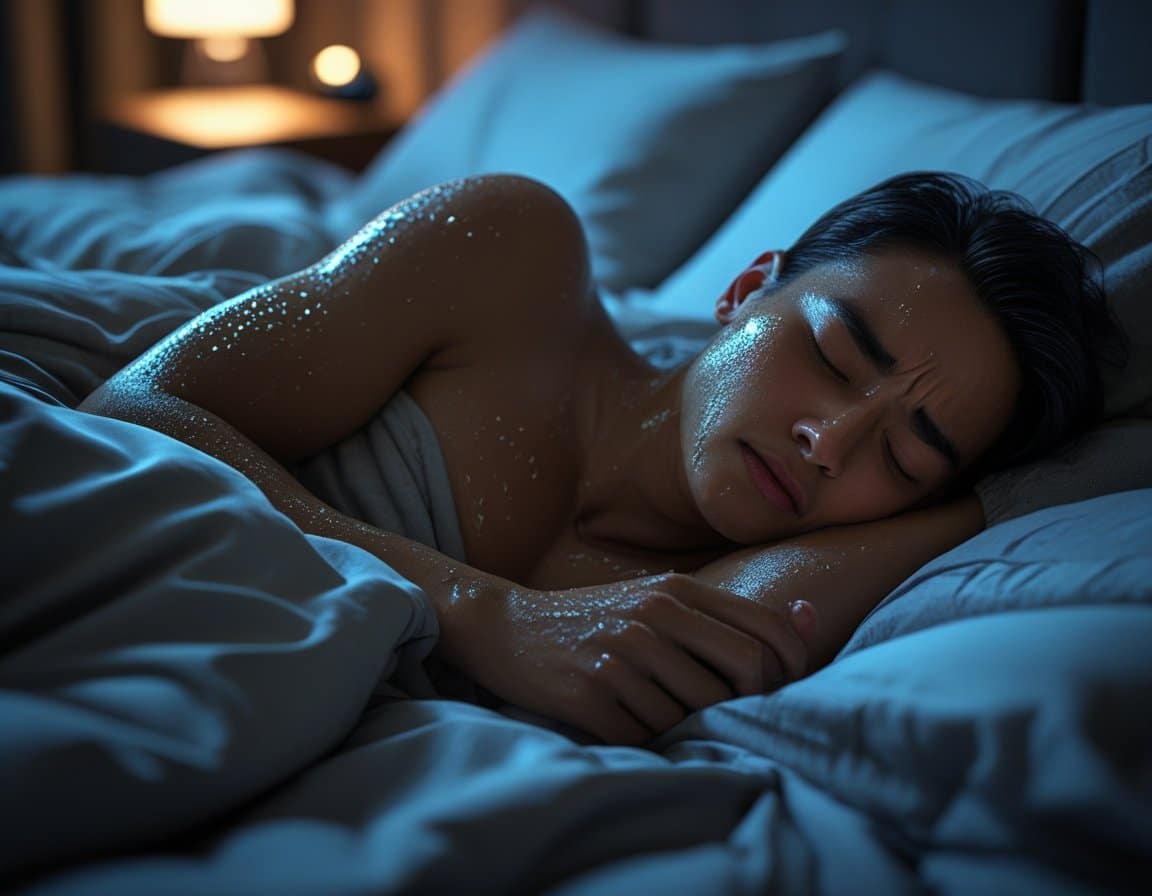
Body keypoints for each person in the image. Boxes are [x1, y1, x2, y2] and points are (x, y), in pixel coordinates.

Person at [78, 171, 1124, 746]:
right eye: (834, 353)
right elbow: (135, 405)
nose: (830, 440)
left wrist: (962, 498)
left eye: (909, 451)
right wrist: (489, 614)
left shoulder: (730, 598)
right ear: (746, 289)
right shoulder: (516, 259)